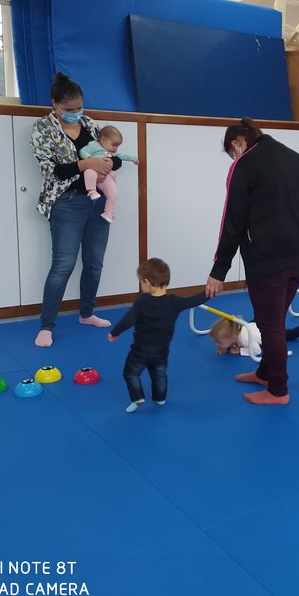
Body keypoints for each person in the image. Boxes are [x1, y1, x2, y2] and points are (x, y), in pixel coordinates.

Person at [205, 117, 299, 406]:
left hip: (270, 261)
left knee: (270, 325)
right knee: (274, 320)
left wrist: (219, 270)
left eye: (232, 154)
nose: (233, 158)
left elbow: (232, 221)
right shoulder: (297, 159)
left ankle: (278, 391)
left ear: (236, 143)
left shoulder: (244, 165)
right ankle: (265, 373)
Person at [32, 72, 123, 347]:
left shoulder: (90, 124)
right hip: (66, 202)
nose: (75, 113)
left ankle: (87, 313)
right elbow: (51, 171)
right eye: (69, 109)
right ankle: (46, 325)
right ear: (55, 104)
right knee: (63, 265)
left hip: (97, 202)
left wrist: (107, 163)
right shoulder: (42, 128)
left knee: (94, 262)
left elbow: (112, 158)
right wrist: (85, 165)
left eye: (79, 107)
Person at [108, 258, 207, 413]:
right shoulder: (175, 301)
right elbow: (193, 300)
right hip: (161, 352)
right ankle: (160, 398)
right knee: (159, 374)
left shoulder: (142, 302)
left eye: (141, 282)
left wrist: (115, 332)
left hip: (139, 351)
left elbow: (129, 319)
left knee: (130, 373)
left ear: (147, 282)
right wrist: (210, 291)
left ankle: (137, 397)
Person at [79, 125, 138, 223]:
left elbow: (122, 156)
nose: (115, 148)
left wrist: (133, 158)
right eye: (114, 145)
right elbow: (83, 151)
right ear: (103, 140)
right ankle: (92, 190)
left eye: (117, 146)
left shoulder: (112, 152)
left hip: (106, 176)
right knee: (89, 172)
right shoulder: (94, 145)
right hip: (94, 170)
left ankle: (108, 212)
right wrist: (89, 158)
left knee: (113, 194)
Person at [208, 317, 299, 358]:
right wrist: (224, 347)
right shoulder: (234, 334)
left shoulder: (246, 339)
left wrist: (240, 351)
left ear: (232, 337)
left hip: (268, 330)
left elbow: (256, 351)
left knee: (290, 334)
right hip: (255, 324)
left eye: (219, 342)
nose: (217, 345)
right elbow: (228, 342)